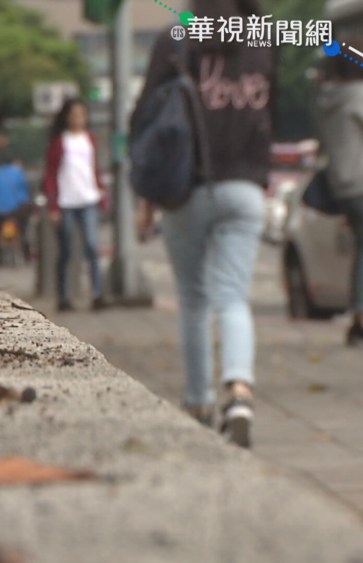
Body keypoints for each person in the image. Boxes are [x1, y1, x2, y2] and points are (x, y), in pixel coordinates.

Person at [134, 0, 275, 447]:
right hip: (246, 188)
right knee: (234, 297)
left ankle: (198, 401)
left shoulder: (175, 38)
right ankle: (239, 391)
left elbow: (144, 119)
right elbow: (271, 111)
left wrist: (146, 196)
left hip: (186, 187)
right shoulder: (264, 37)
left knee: (194, 300)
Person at [317, 37, 363, 347]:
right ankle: (360, 316)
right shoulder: (357, 96)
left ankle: (357, 322)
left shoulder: (327, 99)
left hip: (343, 188)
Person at [43, 99, 108, 312]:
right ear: (66, 117)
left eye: (81, 114)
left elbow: (94, 168)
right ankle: (63, 296)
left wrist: (101, 192)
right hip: (66, 202)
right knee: (67, 249)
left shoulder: (91, 139)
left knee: (91, 245)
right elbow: (50, 175)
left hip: (88, 199)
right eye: (73, 114)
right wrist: (53, 206)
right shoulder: (59, 142)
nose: (78, 118)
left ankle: (97, 293)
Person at [0, 153, 32, 265]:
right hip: (14, 209)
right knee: (19, 231)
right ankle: (20, 256)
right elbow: (24, 191)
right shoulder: (17, 172)